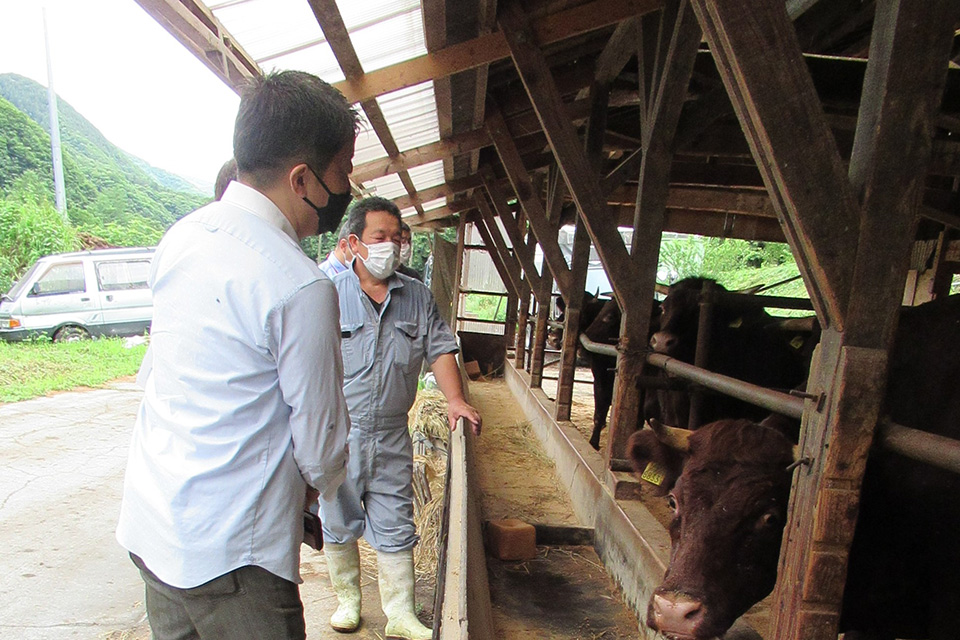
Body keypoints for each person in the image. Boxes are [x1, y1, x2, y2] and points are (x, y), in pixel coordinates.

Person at [116, 70, 360, 640]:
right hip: (235, 558)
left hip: (154, 528)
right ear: (302, 179)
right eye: (342, 172)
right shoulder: (299, 285)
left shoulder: (181, 237)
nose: (346, 187)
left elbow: (160, 375)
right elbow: (323, 452)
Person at [320, 196, 481, 640]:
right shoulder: (326, 296)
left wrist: (454, 399)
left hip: (393, 432)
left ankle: (400, 613)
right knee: (337, 516)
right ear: (354, 243)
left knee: (395, 520)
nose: (391, 245)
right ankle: (348, 602)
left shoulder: (417, 296)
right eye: (379, 237)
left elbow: (441, 348)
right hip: (340, 432)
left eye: (397, 237)